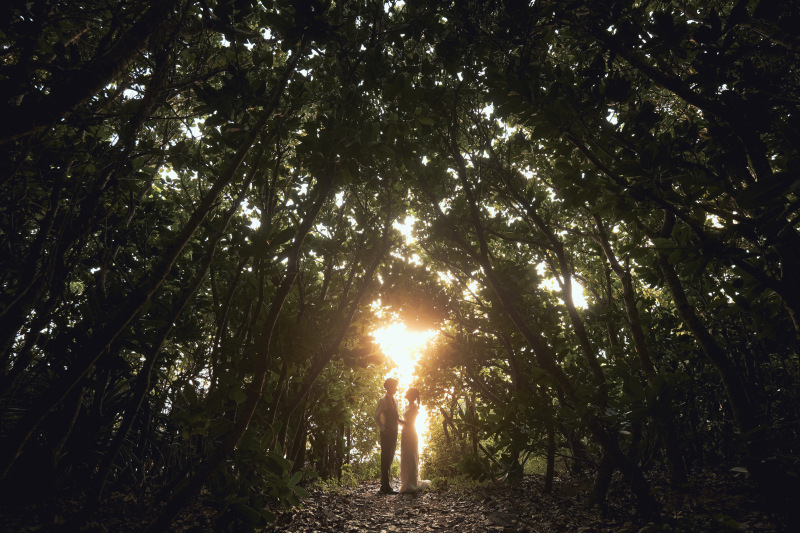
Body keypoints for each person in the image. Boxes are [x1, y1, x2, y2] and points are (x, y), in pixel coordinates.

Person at [399, 387, 431, 493]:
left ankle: (411, 483)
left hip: (411, 432)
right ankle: (405, 482)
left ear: (412, 395)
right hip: (404, 432)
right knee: (405, 455)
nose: (406, 393)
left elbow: (410, 423)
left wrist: (397, 419)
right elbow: (404, 422)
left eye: (408, 392)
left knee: (410, 455)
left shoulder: (414, 407)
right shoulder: (407, 406)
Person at [374, 377, 402, 494]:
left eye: (396, 386)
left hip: (395, 431)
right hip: (386, 432)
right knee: (385, 458)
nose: (396, 388)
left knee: (390, 456)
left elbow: (396, 416)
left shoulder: (395, 400)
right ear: (388, 387)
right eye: (394, 386)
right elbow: (376, 416)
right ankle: (385, 487)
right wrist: (383, 429)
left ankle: (385, 485)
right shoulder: (383, 401)